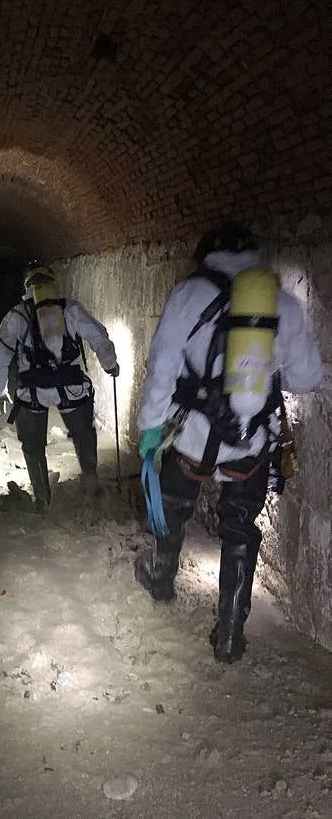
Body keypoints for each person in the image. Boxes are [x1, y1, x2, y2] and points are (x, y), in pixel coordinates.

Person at [134, 221, 323, 663]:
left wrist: (150, 431)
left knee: (174, 508)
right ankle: (231, 634)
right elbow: (306, 377)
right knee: (239, 528)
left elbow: (161, 370)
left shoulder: (187, 295)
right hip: (251, 444)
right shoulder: (282, 302)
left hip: (193, 442)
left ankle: (162, 581)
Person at [0, 263, 119, 512]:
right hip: (72, 388)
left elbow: (0, 355)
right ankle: (90, 480)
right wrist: (110, 365)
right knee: (83, 434)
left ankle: (42, 498)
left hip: (32, 392)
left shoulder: (16, 315)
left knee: (33, 444)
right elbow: (98, 337)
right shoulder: (70, 309)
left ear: (26, 287)